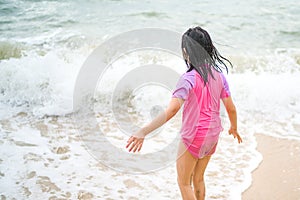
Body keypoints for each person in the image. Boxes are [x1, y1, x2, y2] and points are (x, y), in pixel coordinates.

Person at [126, 26, 242, 200]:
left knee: (184, 182)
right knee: (198, 178)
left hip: (194, 136)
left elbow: (172, 110)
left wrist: (143, 131)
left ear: (186, 51)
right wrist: (234, 127)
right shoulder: (219, 76)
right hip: (212, 135)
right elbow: (231, 108)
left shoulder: (187, 79)